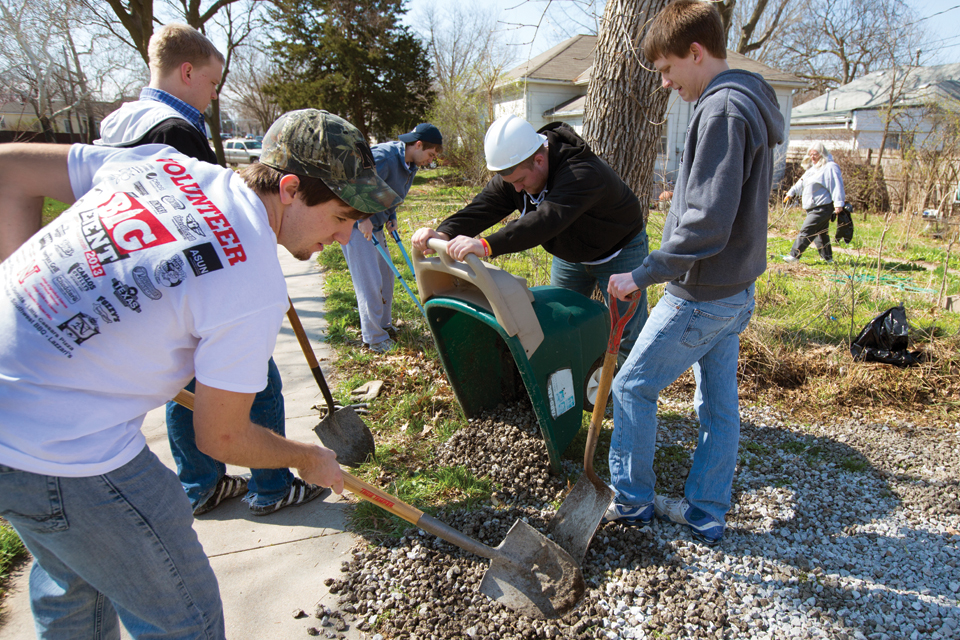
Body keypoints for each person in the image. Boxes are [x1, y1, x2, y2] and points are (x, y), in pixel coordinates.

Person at [0, 108, 400, 637]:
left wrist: (23, 308)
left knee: (76, 583)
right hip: (64, 452)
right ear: (288, 188)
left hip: (16, 429)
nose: (347, 237)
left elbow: (9, 169)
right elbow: (222, 436)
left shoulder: (165, 166)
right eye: (342, 217)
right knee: (183, 620)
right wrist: (306, 457)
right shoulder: (250, 279)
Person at [96, 24, 317, 516]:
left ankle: (201, 483)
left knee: (188, 384)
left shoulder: (122, 123)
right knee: (256, 382)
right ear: (187, 70)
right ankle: (272, 486)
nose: (215, 94)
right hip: (200, 285)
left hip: (155, 289)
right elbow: (213, 215)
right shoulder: (173, 130)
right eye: (214, 83)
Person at [603, 0, 784, 546]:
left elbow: (707, 224)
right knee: (717, 403)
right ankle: (707, 511)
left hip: (701, 295)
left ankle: (632, 502)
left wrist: (643, 273)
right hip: (735, 291)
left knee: (632, 387)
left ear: (696, 52)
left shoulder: (722, 108)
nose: (664, 83)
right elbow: (718, 198)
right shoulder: (750, 98)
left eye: (666, 69)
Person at [411, 114, 649, 360]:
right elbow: (484, 207)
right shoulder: (516, 170)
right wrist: (444, 231)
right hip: (571, 256)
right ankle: (578, 388)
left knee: (628, 336)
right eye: (511, 183)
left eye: (521, 181)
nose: (516, 189)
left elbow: (544, 221)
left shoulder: (583, 173)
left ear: (539, 159)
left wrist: (485, 245)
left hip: (619, 251)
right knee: (558, 321)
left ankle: (620, 395)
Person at [342, 123, 442, 353]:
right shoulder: (384, 157)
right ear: (418, 145)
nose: (431, 160)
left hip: (376, 224)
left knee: (387, 278)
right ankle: (374, 338)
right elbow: (354, 184)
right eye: (430, 154)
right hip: (357, 227)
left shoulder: (410, 163)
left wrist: (391, 215)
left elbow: (386, 191)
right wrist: (362, 216)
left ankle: (384, 326)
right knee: (370, 283)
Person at [782, 142, 845, 263]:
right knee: (820, 233)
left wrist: (838, 203)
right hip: (813, 207)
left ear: (822, 154)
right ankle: (828, 258)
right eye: (811, 155)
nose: (812, 157)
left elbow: (837, 186)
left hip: (822, 207)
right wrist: (791, 192)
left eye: (815, 154)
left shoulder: (830, 167)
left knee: (807, 230)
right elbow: (801, 182)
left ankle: (794, 256)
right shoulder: (813, 169)